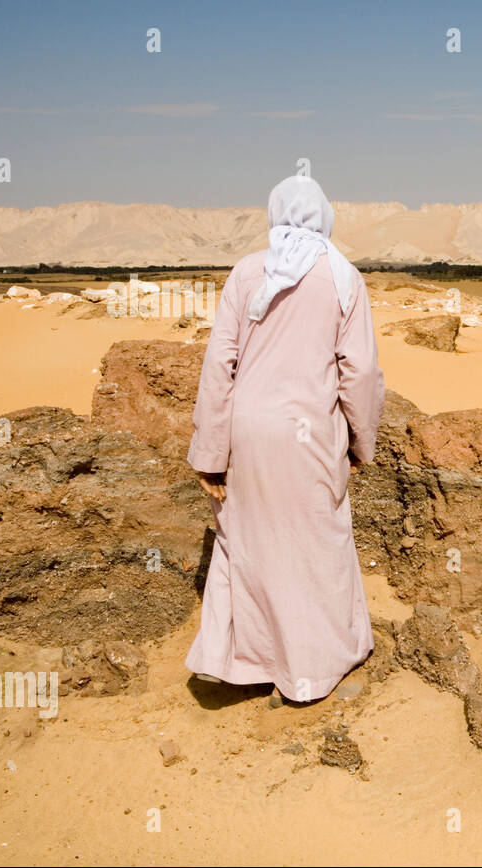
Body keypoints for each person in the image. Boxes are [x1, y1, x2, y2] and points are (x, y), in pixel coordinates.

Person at [184, 175, 385, 703]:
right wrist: (361, 442)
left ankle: (243, 663)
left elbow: (219, 364)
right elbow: (359, 372)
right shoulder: (343, 277)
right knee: (317, 542)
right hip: (309, 434)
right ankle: (312, 670)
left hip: (247, 431)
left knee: (243, 541)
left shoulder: (248, 271)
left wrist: (210, 452)